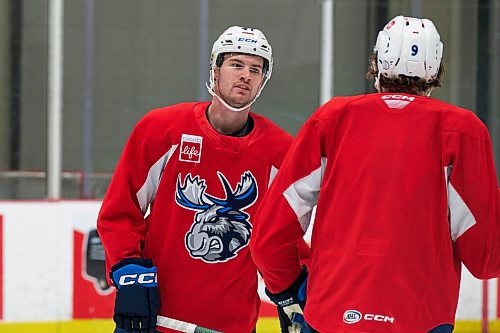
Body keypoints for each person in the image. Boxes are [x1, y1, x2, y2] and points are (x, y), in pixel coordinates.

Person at [250, 15, 500, 333]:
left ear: (378, 61)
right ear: (434, 69)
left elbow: (269, 239)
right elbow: (484, 258)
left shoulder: (331, 119)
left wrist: (289, 290)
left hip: (331, 315)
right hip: (421, 320)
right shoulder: (461, 130)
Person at [97, 26, 299, 333]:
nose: (245, 75)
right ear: (215, 70)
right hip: (152, 320)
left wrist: (293, 294)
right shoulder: (162, 129)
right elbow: (120, 210)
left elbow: (285, 237)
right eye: (236, 64)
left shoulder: (281, 152)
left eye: (255, 69)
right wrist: (129, 272)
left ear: (262, 81)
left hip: (230, 324)